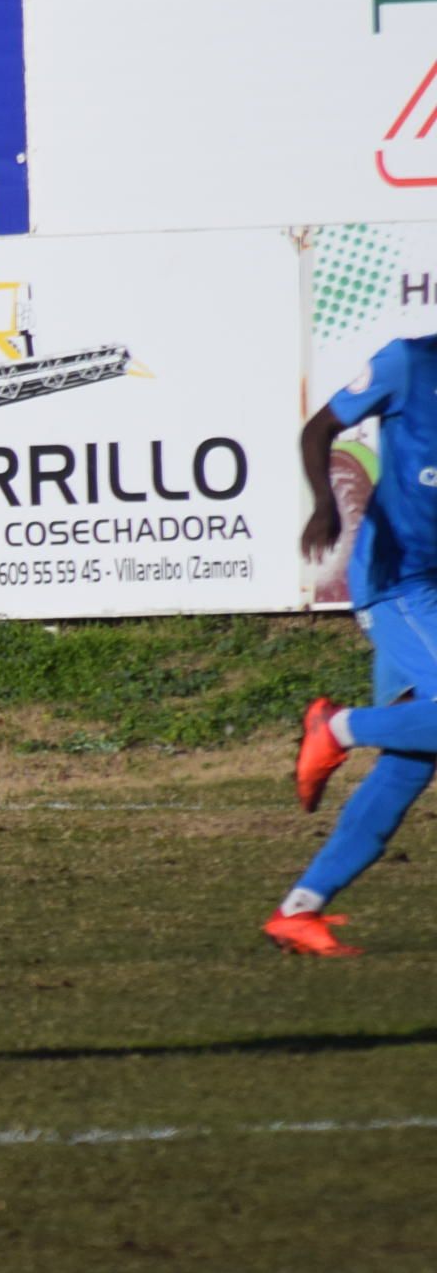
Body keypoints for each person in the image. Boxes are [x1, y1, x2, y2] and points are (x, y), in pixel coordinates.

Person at [274, 326, 437, 956]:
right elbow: (318, 429)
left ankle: (300, 909)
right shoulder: (409, 362)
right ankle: (336, 729)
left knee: (411, 759)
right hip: (398, 584)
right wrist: (326, 505)